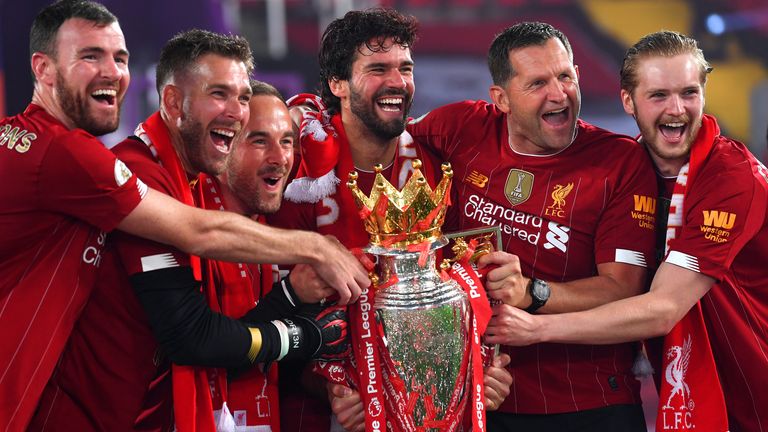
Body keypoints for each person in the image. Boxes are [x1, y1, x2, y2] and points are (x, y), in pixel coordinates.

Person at [0, 2, 367, 431]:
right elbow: (196, 254)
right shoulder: (76, 156)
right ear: (42, 69)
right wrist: (316, 252)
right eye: (90, 56)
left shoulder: (30, 140)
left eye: (119, 58)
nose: (112, 71)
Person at [489, 30, 768, 432]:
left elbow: (663, 309)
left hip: (754, 397)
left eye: (689, 93)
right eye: (658, 95)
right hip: (702, 397)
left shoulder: (732, 177)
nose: (677, 109)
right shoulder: (629, 172)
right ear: (628, 101)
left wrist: (537, 325)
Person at [407, 22, 658, 431]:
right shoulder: (459, 128)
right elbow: (381, 144)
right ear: (501, 99)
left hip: (591, 403)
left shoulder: (620, 162)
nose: (559, 94)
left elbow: (623, 288)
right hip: (483, 398)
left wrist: (531, 293)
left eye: (565, 75)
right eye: (538, 82)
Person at [271, 9, 513, 431]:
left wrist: (478, 372)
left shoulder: (434, 165)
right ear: (337, 84)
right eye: (377, 69)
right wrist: (327, 386)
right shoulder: (299, 171)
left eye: (405, 68)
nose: (398, 82)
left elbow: (453, 297)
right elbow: (272, 308)